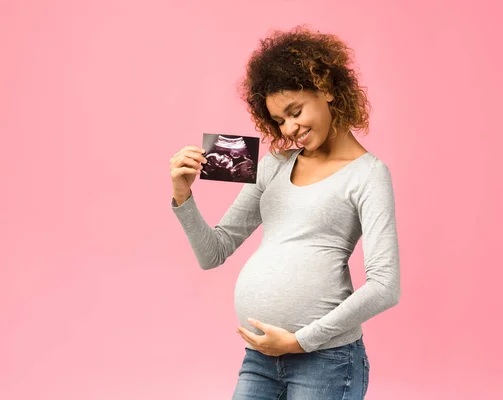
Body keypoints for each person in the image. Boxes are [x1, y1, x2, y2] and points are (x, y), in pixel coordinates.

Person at [169, 26, 400, 400]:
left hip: (326, 360)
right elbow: (213, 252)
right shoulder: (273, 164)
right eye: (279, 121)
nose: (290, 129)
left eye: (296, 112)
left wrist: (300, 341)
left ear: (325, 88)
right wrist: (183, 196)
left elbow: (386, 287)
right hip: (260, 358)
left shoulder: (369, 174)